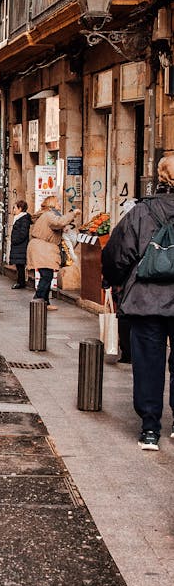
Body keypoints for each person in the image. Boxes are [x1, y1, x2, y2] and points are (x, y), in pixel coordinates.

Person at [101, 154, 174, 450]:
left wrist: (116, 281)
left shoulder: (141, 212)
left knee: (148, 363)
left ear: (160, 177)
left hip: (146, 300)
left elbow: (117, 253)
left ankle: (149, 429)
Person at [26, 195, 81, 311]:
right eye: (58, 203)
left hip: (43, 248)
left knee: (47, 275)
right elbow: (59, 222)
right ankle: (38, 299)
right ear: (52, 204)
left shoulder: (47, 215)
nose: (60, 205)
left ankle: (45, 302)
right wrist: (73, 214)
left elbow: (57, 225)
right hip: (43, 249)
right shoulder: (49, 215)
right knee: (47, 275)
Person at [9, 200, 30, 289]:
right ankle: (20, 281)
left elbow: (23, 233)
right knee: (19, 265)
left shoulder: (23, 219)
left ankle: (21, 282)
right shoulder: (19, 218)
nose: (13, 210)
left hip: (20, 245)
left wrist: (15, 240)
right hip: (18, 245)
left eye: (15, 208)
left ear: (20, 209)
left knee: (20, 265)